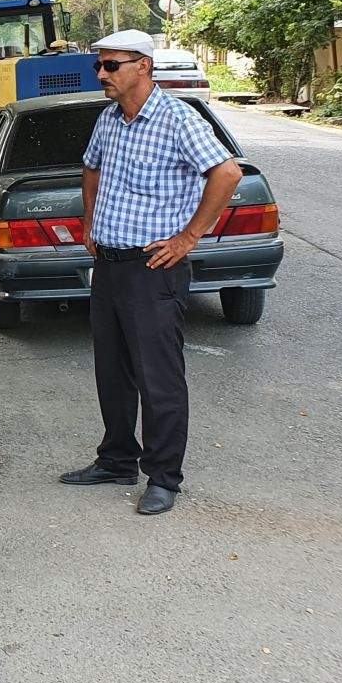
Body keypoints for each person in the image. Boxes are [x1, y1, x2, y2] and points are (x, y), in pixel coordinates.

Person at [61, 28, 242, 516]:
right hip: (110, 264)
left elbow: (227, 174)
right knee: (112, 370)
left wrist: (188, 237)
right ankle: (118, 458)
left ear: (143, 65)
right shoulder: (109, 119)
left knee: (158, 376)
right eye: (99, 66)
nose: (101, 74)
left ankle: (164, 477)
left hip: (153, 268)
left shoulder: (178, 120)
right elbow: (91, 167)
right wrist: (89, 220)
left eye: (110, 65)